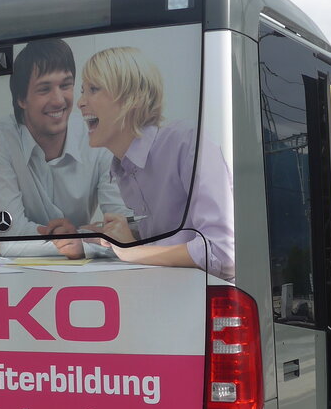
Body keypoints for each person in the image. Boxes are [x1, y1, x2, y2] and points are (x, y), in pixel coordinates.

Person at [76, 46, 235, 280]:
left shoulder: (186, 142)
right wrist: (108, 238)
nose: (80, 102)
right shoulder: (123, 168)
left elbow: (222, 253)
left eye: (93, 89)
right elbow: (168, 237)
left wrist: (132, 251)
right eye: (83, 91)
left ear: (131, 98)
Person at [0, 38, 126, 258]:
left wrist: (80, 239)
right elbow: (8, 235)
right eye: (44, 89)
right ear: (21, 99)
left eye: (65, 85)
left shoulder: (96, 136)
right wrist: (80, 238)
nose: (58, 100)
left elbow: (123, 229)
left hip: (82, 270)